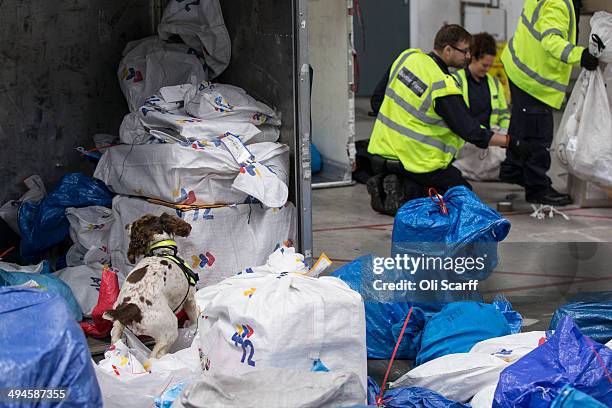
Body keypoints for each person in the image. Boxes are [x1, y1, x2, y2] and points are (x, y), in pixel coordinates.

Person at [366, 24, 530, 215]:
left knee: (436, 180)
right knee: (463, 198)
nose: (468, 56)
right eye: (465, 51)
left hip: (382, 151)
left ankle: (390, 185)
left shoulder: (408, 58)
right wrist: (511, 142)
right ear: (448, 50)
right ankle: (407, 194)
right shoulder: (442, 84)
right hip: (417, 159)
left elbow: (377, 100)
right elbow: (471, 132)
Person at [500, 0, 599, 205]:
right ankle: (538, 189)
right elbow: (551, 41)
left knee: (522, 125)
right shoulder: (558, 5)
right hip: (534, 78)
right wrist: (580, 55)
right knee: (538, 134)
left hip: (519, 65)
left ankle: (513, 169)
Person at [454, 33, 510, 135]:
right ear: (473, 58)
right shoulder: (456, 80)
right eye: (484, 65)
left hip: (490, 140)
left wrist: (505, 133)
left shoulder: (495, 84)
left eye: (490, 66)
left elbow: (503, 114)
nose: (487, 69)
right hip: (465, 140)